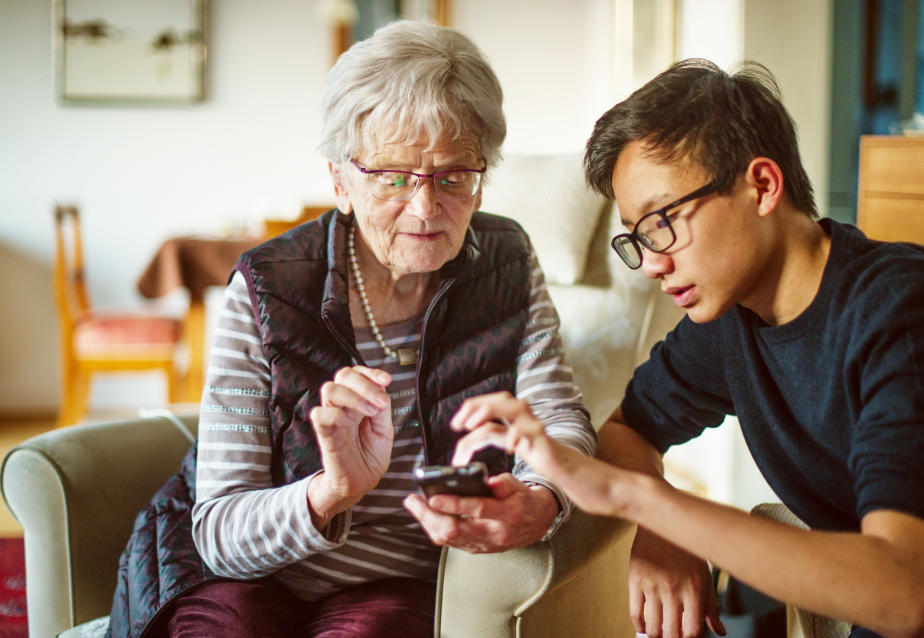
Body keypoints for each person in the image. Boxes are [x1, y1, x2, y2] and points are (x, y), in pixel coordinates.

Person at [106, 20, 596, 638]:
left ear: (482, 176)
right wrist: (331, 491)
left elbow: (561, 419)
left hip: (392, 578)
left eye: (453, 177)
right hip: (233, 572)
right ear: (340, 180)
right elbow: (220, 532)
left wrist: (545, 498)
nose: (425, 207)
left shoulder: (506, 259)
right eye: (392, 175)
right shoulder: (264, 287)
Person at [448, 58, 924, 638]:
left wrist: (636, 500)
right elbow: (629, 429)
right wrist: (662, 533)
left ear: (762, 186)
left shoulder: (900, 310)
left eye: (662, 222)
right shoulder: (729, 319)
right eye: (636, 239)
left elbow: (909, 596)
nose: (652, 264)